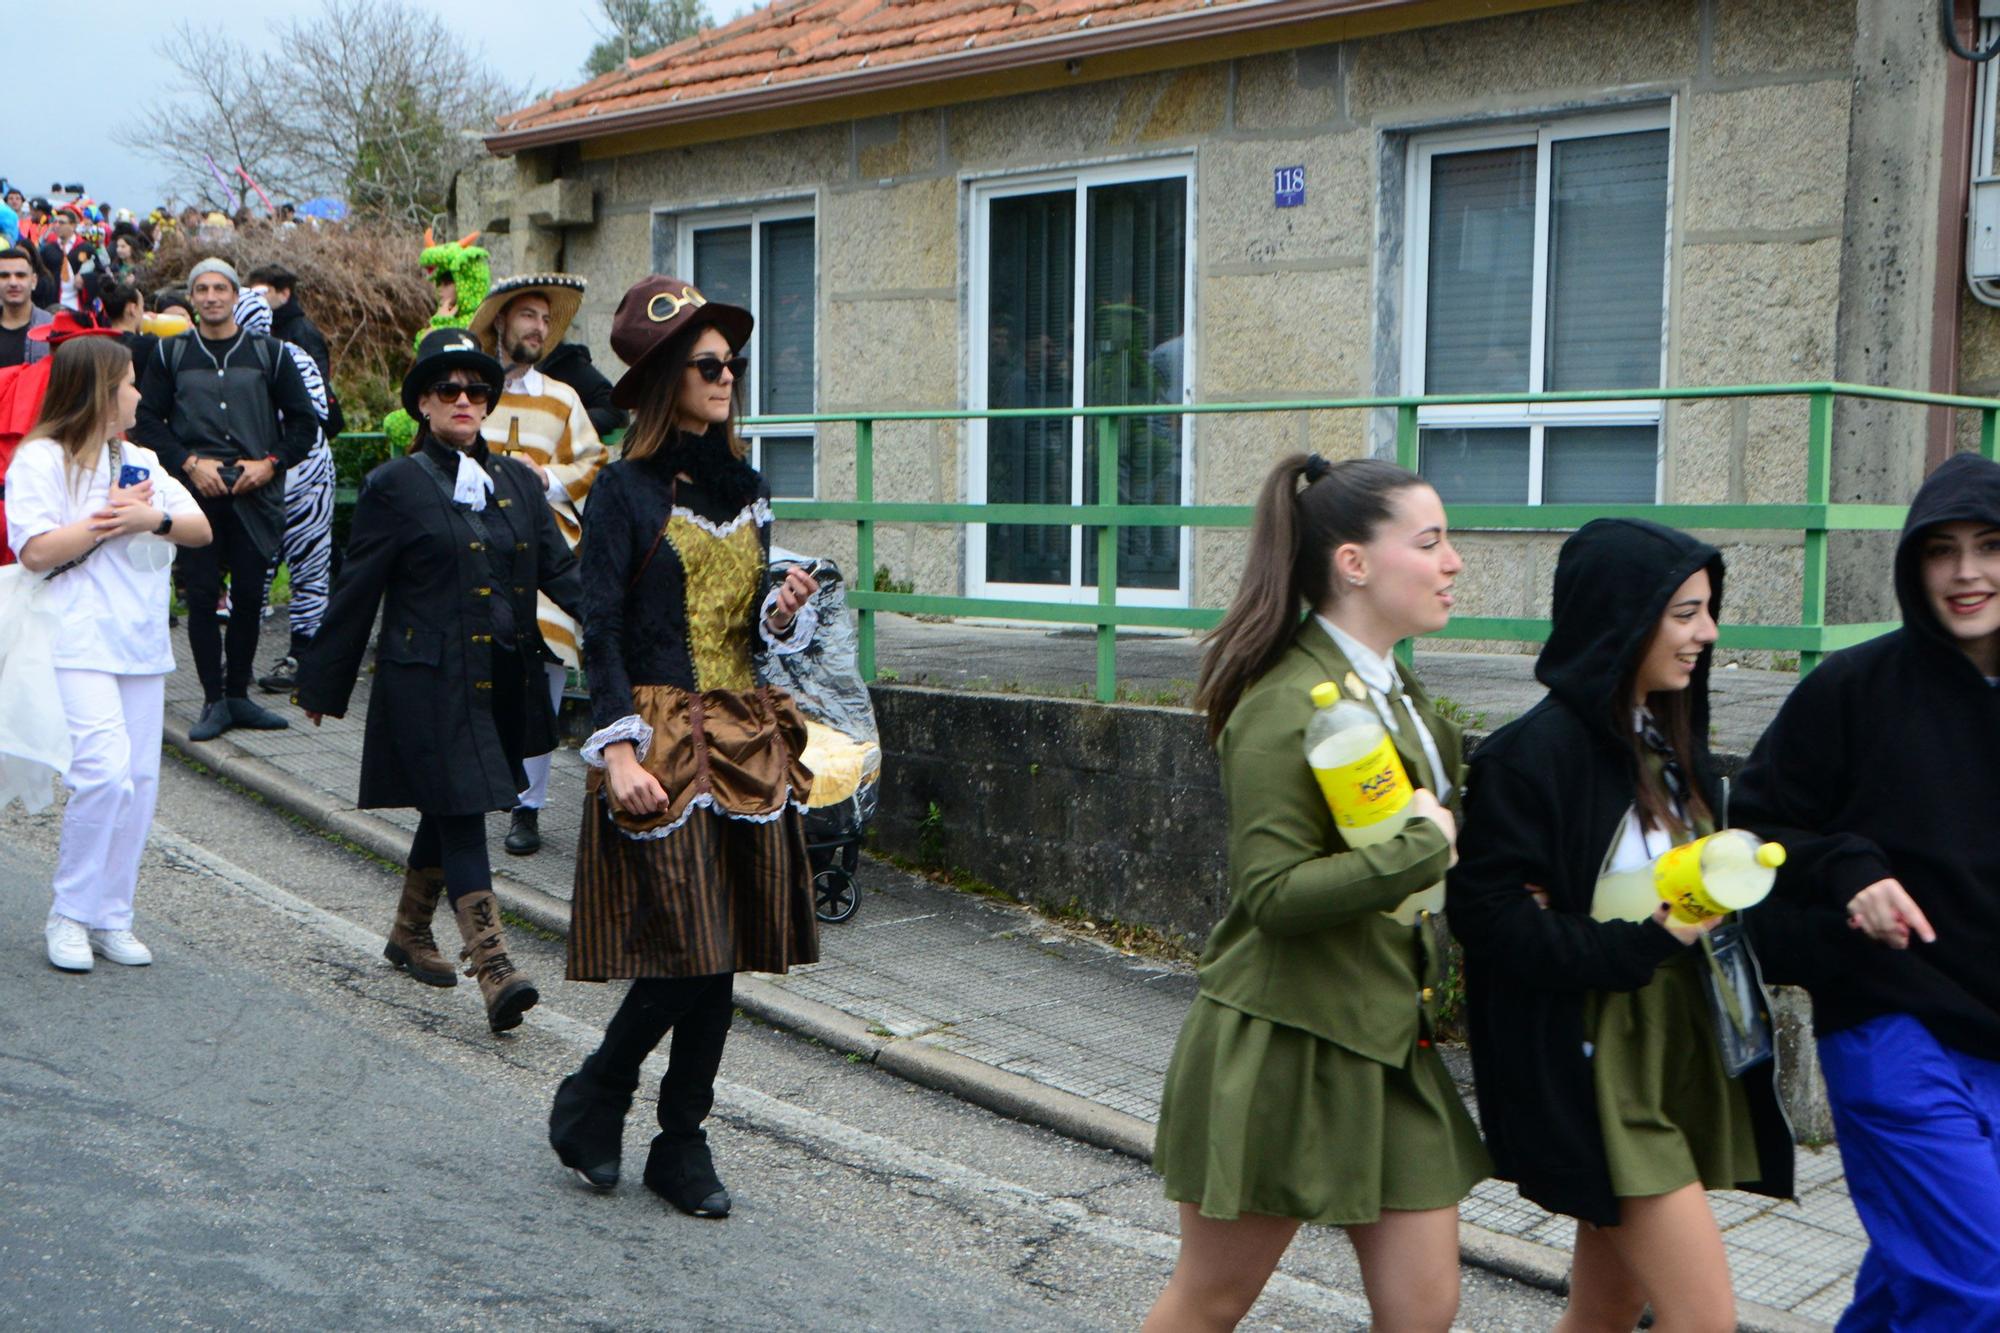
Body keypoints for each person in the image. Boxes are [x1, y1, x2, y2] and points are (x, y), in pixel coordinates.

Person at [1141, 455, 1486, 1332]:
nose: (1454, 562)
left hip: (1385, 1037)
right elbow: (1273, 892)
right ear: (1354, 563)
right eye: (1431, 541)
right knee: (1210, 1303)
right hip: (1284, 1041)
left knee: (1425, 1309)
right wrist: (1422, 844)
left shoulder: (1397, 692)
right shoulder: (1283, 703)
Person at [1446, 519, 1794, 1332]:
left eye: (1708, 611)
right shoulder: (1530, 757)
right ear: (1623, 617)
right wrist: (1641, 941)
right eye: (1684, 613)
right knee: (1703, 1318)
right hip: (1596, 1062)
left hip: (1675, 1043)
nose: (1707, 633)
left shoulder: (1671, 740)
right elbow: (1491, 925)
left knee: (1604, 1309)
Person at [545, 276, 819, 1219]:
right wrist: (615, 750)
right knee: (689, 950)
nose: (727, 376)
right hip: (660, 735)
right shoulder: (621, 489)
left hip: (742, 735)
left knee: (724, 949)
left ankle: (669, 1132)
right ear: (666, 377)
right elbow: (602, 625)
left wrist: (780, 613)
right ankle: (613, 1099)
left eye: (732, 363)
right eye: (709, 364)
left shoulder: (748, 489)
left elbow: (745, 626)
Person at [1735, 454, 2000, 1327]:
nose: (1967, 574)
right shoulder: (1854, 689)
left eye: (1991, 546)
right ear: (1911, 565)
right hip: (1895, 1023)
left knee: (1911, 1281)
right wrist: (1849, 869)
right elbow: (1752, 831)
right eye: (1942, 551)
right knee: (1979, 1282)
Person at [295, 329, 584, 1034]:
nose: (464, 399)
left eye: (476, 389)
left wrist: (629, 624)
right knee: (461, 809)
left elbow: (563, 573)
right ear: (423, 403)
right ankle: (493, 966)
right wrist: (321, 683)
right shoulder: (397, 485)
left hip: (502, 679)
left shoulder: (516, 480)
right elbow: (358, 586)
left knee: (450, 804)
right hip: (427, 681)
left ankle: (408, 929)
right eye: (447, 389)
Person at [6, 335, 213, 971]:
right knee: (103, 772)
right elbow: (35, 550)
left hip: (140, 641)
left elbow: (201, 528)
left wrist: (151, 521)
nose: (139, 393)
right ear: (100, 390)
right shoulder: (40, 460)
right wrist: (107, 520)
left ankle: (110, 915)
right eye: (128, 381)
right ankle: (68, 914)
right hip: (74, 638)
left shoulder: (143, 460)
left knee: (140, 785)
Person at [132, 258, 316, 742]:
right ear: (192, 298)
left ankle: (240, 694)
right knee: (199, 594)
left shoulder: (270, 353)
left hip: (255, 494)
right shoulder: (171, 355)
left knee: (251, 596)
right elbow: (149, 421)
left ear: (235, 295)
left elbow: (304, 424)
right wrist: (190, 463)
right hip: (197, 496)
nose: (211, 297)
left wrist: (270, 463)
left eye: (220, 288)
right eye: (202, 289)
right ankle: (213, 698)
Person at [464, 273, 610, 855]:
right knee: (475, 677)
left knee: (544, 675)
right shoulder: (470, 390)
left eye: (546, 320)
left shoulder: (563, 396)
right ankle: (475, 790)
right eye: (528, 315)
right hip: (475, 554)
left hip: (543, 564)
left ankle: (528, 807)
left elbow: (594, 459)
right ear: (501, 320)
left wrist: (546, 478)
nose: (539, 327)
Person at [228, 288, 334, 693]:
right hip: (274, 476)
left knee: (296, 566)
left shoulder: (288, 357)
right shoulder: (235, 361)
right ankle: (251, 662)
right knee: (264, 569)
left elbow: (314, 417)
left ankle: (300, 657)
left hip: (299, 474)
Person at [0, 246, 52, 368]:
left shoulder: (52, 329)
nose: (13, 283)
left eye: (20, 275)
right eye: (4, 276)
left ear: (33, 281)